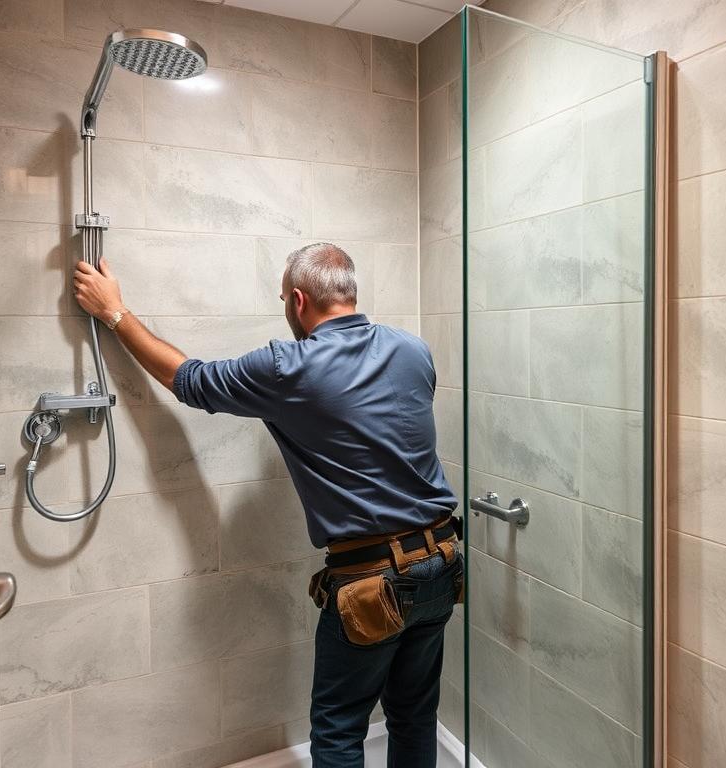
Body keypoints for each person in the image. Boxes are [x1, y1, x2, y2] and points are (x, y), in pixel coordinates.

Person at [73, 242, 461, 767]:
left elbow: (187, 379)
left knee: (339, 732)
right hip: (443, 561)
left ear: (299, 301)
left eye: (283, 298)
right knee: (414, 716)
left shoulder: (289, 367)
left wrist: (114, 312)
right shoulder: (413, 350)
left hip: (371, 582)